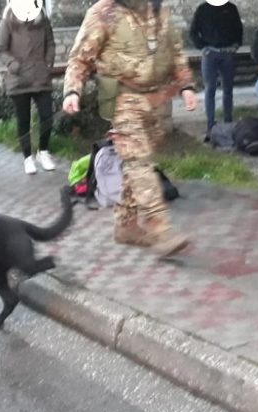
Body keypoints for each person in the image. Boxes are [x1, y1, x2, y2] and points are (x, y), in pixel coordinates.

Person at [62, 0, 199, 258]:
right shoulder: (104, 12)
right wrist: (72, 90)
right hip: (122, 98)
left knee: (136, 164)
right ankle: (161, 229)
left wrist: (186, 86)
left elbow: (176, 52)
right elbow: (79, 59)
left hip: (155, 101)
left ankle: (126, 225)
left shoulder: (158, 11)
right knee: (138, 161)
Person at [0, 3, 57, 175]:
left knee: (47, 117)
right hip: (19, 80)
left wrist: (48, 61)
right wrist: (13, 65)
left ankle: (43, 152)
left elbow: (50, 43)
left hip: (40, 77)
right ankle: (27, 157)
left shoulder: (42, 18)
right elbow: (1, 49)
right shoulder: (8, 20)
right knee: (24, 120)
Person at [189, 0, 243, 142]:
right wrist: (202, 48)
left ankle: (228, 124)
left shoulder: (231, 8)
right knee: (210, 89)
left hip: (227, 53)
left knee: (228, 90)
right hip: (210, 54)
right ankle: (211, 126)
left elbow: (239, 29)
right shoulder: (202, 9)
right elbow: (193, 31)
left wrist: (236, 45)